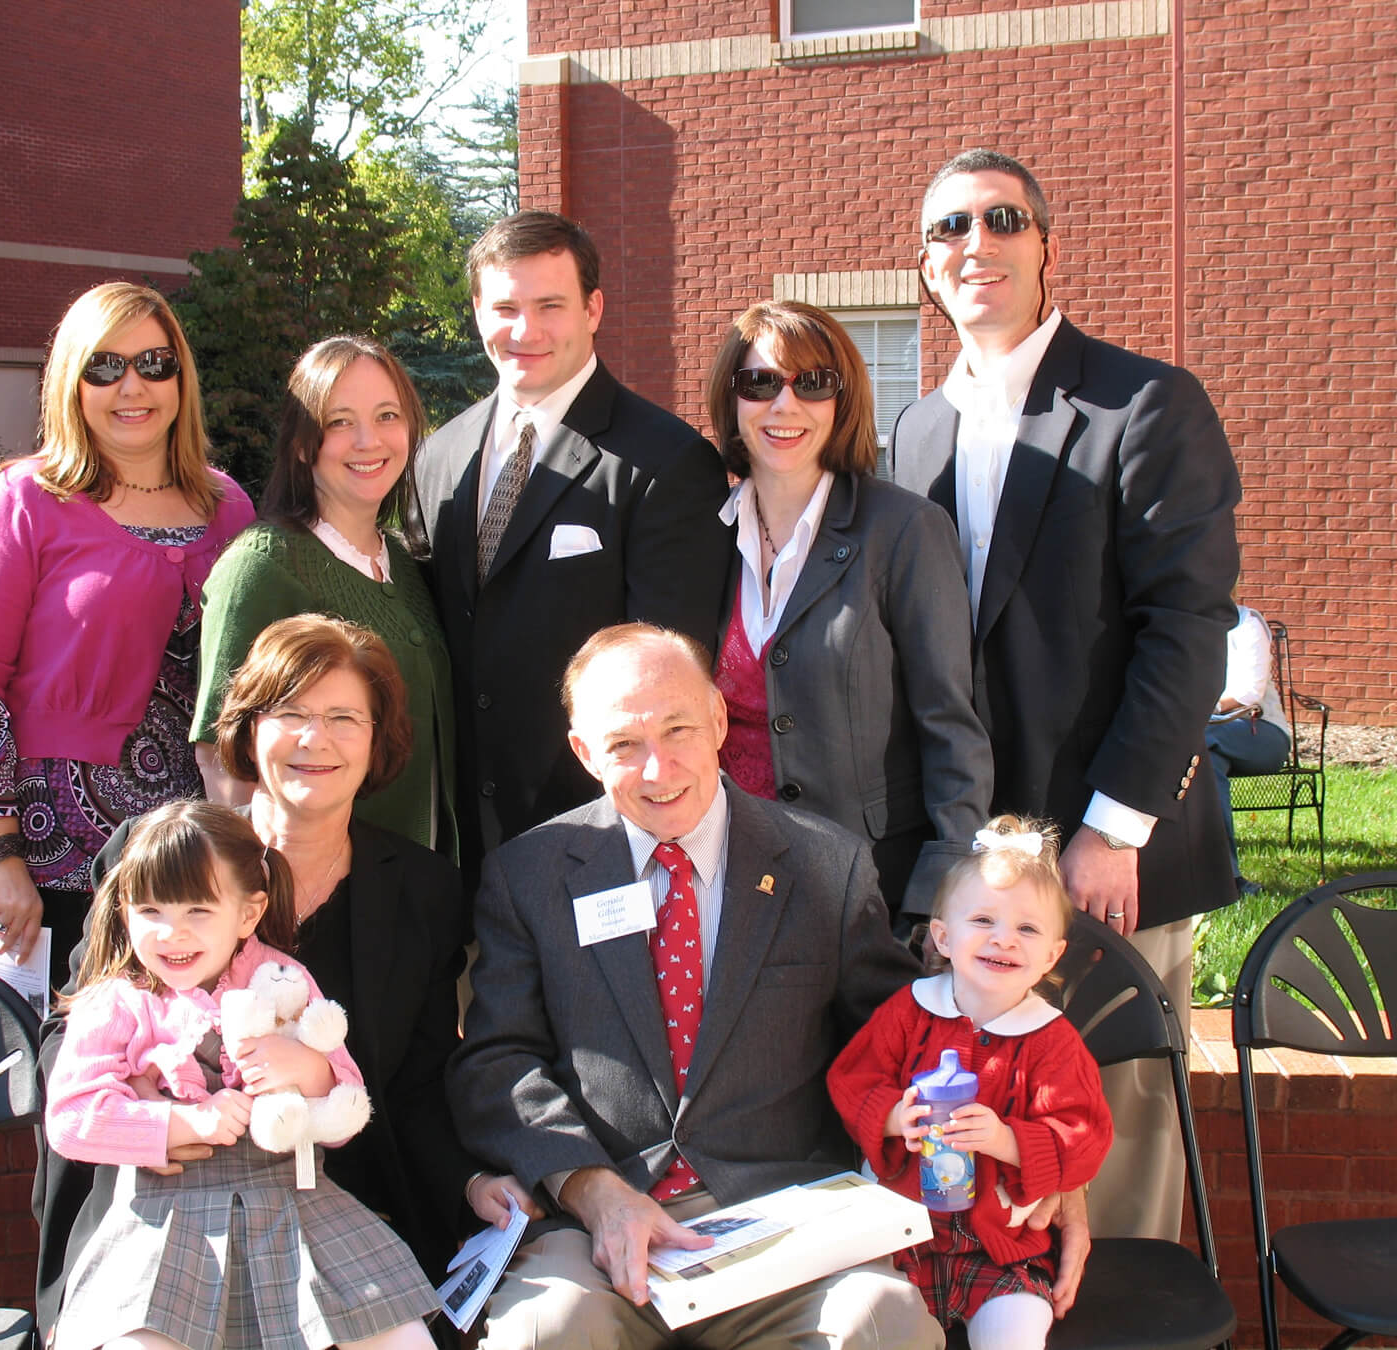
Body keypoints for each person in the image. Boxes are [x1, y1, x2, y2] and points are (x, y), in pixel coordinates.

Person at [890, 149, 1240, 1242]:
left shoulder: (1146, 403)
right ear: (927, 266)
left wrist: (1112, 828)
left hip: (1109, 854)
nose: (977, 244)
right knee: (983, 1118)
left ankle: (1126, 1308)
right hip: (972, 862)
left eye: (1004, 220)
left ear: (1047, 245)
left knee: (1113, 1130)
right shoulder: (914, 431)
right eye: (951, 228)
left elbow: (1187, 628)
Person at [450, 623, 962, 1349]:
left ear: (720, 719)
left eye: (678, 729)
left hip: (782, 1221)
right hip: (600, 1224)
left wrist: (1032, 1147)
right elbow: (498, 1062)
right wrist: (591, 1190)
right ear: (584, 752)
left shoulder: (826, 866)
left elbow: (905, 1040)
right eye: (624, 744)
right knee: (543, 1330)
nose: (658, 768)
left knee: (883, 1324)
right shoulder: (528, 876)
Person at [35, 617, 535, 1338]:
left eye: (343, 718)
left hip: (339, 1214)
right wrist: (149, 1108)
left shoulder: (423, 890)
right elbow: (68, 1035)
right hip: (158, 1199)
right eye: (291, 713)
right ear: (249, 729)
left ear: (377, 740)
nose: (315, 739)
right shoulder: (156, 857)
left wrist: (470, 1180)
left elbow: (421, 1081)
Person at [0, 280, 255, 982]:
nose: (131, 386)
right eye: (104, 367)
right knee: (74, 1039)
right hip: (63, 857)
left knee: (198, 1039)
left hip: (202, 855)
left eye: (154, 364)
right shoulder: (24, 502)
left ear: (181, 378)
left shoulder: (229, 507)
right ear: (71, 384)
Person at [44, 799, 441, 1350]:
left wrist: (309, 1069)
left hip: (294, 1208)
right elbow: (70, 1118)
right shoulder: (118, 1001)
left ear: (249, 914)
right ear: (124, 911)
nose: (172, 934)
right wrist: (182, 1124)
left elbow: (347, 1111)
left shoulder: (283, 979)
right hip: (164, 1221)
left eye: (198, 911)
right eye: (151, 911)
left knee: (402, 1340)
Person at [412, 211, 731, 885]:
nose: (525, 331)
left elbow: (671, 677)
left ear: (593, 309)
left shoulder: (666, 461)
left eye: (549, 306)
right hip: (457, 848)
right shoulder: (438, 456)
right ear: (477, 311)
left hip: (598, 842)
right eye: (505, 308)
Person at [704, 300, 992, 925]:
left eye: (812, 383)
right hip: (731, 887)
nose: (784, 405)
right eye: (759, 383)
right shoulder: (704, 538)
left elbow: (950, 727)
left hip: (870, 893)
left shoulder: (904, 530)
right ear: (732, 400)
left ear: (843, 400)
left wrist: (943, 896)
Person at [828, 817, 1113, 1350]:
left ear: (1052, 955)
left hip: (1002, 1248)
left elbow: (1084, 1135)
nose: (1003, 938)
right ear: (943, 936)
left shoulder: (1051, 1041)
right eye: (983, 920)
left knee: (1015, 1334)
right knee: (867, 1326)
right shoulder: (908, 1014)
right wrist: (893, 1116)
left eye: (1027, 929)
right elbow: (852, 1079)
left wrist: (1008, 1140)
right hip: (899, 1241)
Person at [193, 336, 456, 860]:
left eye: (387, 416)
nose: (368, 440)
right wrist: (263, 881)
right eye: (339, 422)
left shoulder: (405, 562)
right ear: (301, 443)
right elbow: (221, 754)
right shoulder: (262, 565)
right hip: (317, 886)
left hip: (422, 881)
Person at [1207, 601, 1292, 894]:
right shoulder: (1180, 625)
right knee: (1205, 761)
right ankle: (1226, 879)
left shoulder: (1245, 623)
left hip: (1261, 733)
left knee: (1196, 742)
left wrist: (1198, 709)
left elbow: (1248, 693)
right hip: (1206, 740)